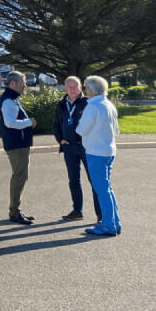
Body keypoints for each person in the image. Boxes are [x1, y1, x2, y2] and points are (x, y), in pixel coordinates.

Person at [76, 75, 121, 236]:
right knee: (106, 188)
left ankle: (108, 225)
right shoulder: (109, 105)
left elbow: (81, 130)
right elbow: (116, 130)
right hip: (109, 150)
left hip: (96, 152)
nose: (85, 90)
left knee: (102, 189)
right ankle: (114, 223)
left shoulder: (92, 106)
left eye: (86, 87)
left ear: (91, 90)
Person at [52, 76, 100, 222]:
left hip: (86, 148)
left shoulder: (88, 103)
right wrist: (60, 139)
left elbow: (95, 124)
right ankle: (77, 210)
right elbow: (56, 124)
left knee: (94, 181)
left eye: (75, 86)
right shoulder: (61, 105)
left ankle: (101, 215)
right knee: (74, 180)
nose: (72, 89)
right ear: (65, 88)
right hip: (69, 148)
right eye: (69, 87)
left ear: (81, 88)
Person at [0, 71, 36, 225]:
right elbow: (10, 123)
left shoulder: (12, 99)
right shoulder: (8, 100)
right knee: (19, 177)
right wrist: (29, 122)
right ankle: (14, 212)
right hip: (16, 146)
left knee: (21, 176)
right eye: (22, 83)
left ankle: (15, 210)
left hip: (19, 145)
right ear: (12, 84)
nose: (25, 86)